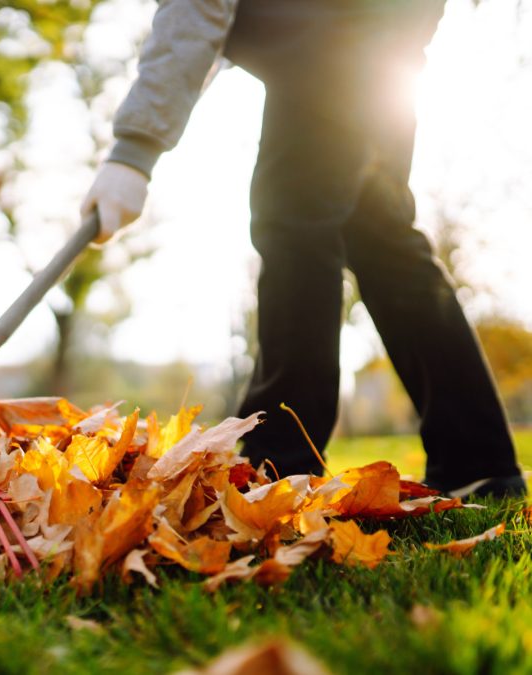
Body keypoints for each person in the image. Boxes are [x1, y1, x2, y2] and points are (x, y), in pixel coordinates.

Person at [82, 0, 526, 498]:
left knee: (295, 228)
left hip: (333, 43)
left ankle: (279, 466)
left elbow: (197, 11)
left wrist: (134, 152)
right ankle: (477, 460)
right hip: (381, 49)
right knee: (383, 241)